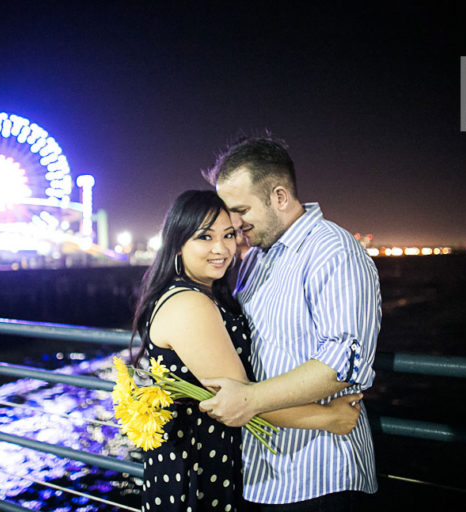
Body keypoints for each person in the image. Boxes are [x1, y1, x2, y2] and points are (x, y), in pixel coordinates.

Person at [130, 189, 364, 512]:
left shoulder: (198, 295)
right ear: (178, 244)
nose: (220, 248)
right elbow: (242, 397)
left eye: (228, 235)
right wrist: (328, 418)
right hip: (199, 467)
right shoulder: (189, 305)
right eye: (204, 237)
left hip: (203, 457)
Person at [199, 136, 382, 511]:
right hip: (262, 472)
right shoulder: (255, 259)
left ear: (279, 197)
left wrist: (249, 400)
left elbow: (343, 363)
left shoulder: (333, 250)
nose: (233, 223)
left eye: (241, 209)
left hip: (320, 474)